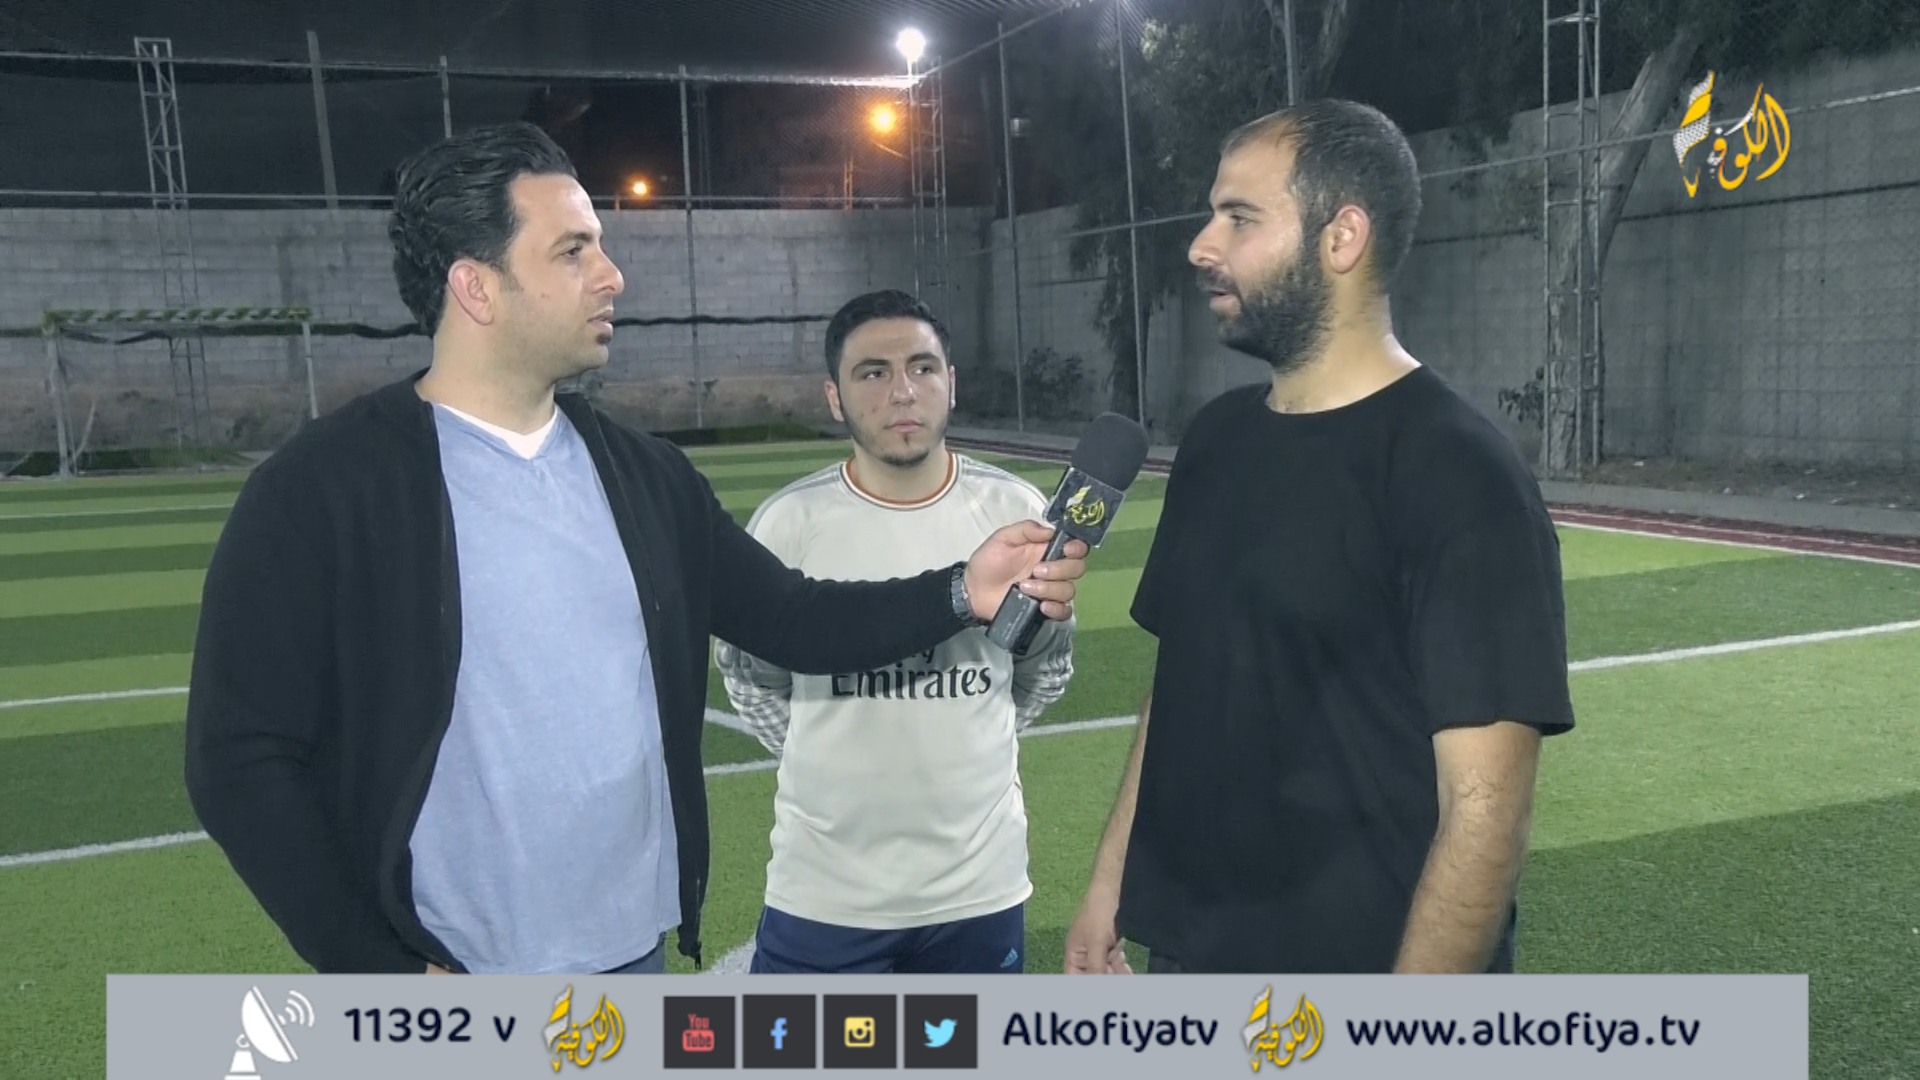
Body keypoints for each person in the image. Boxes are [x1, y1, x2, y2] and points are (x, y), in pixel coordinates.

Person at [181, 122, 1088, 977]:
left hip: (631, 958)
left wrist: (960, 590)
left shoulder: (646, 477)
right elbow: (238, 758)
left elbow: (795, 620)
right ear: (476, 287)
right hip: (452, 977)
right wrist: (373, 968)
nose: (612, 276)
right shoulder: (323, 491)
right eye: (573, 251)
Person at [1063, 100, 1574, 976]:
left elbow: (1486, 812)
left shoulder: (1459, 474)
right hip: (1188, 958)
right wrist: (1111, 882)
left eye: (1239, 218)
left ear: (1342, 238)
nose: (1202, 246)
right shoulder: (1216, 440)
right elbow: (1181, 684)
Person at [715, 290, 1074, 975]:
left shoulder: (1015, 512)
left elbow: (1046, 668)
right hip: (825, 893)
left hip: (980, 889)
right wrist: (829, 747)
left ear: (951, 383)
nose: (903, 391)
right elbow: (748, 677)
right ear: (834, 397)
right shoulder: (788, 524)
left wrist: (973, 728)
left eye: (922, 368)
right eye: (873, 373)